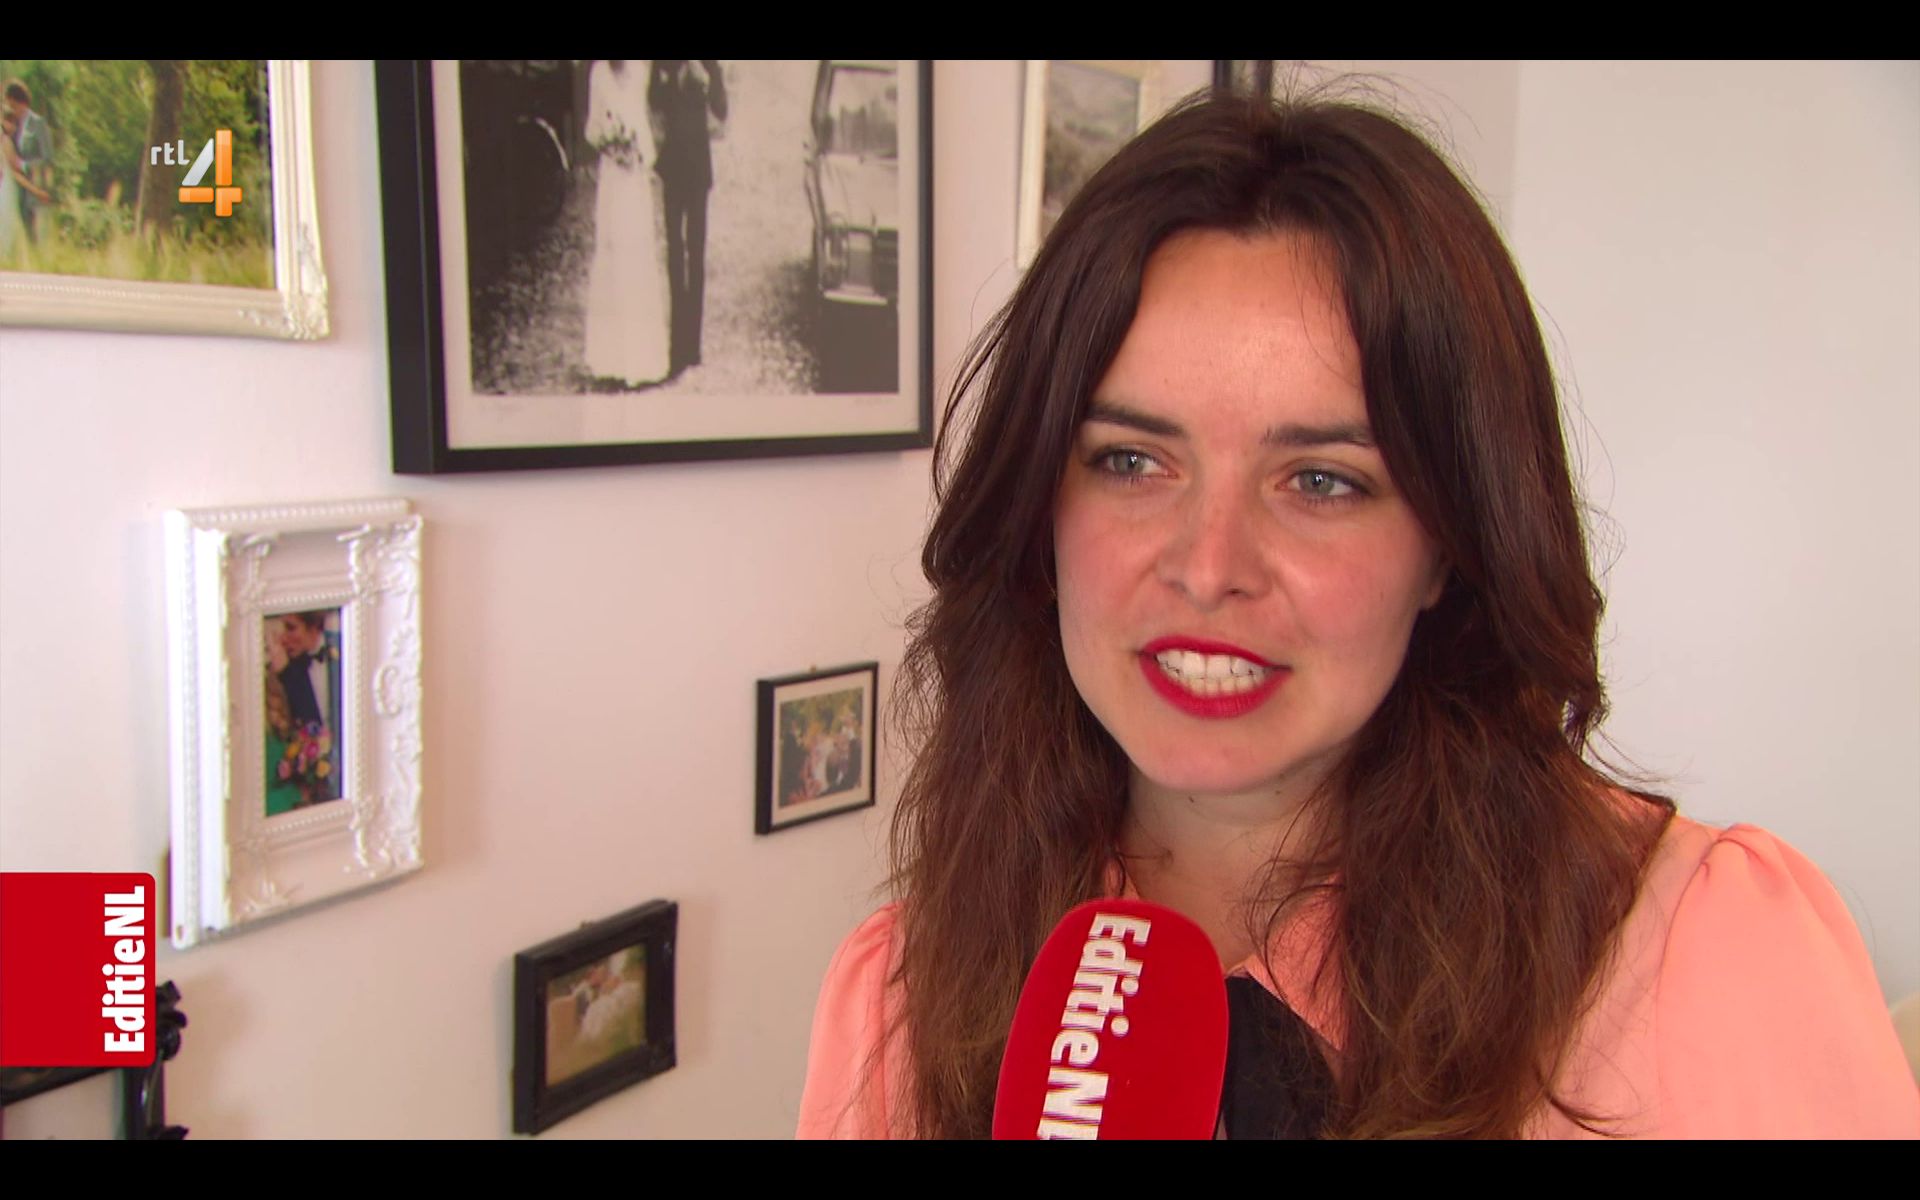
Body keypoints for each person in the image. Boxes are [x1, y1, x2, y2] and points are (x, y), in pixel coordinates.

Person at [796, 89, 1920, 1139]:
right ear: (1040, 507)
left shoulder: (1702, 954)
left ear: (1449, 545)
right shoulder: (903, 995)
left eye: (1322, 480)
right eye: (1131, 460)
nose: (1208, 567)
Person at [582, 60, 671, 389]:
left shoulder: (639, 71)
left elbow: (643, 122)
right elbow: (591, 129)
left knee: (636, 257)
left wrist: (638, 153)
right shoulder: (598, 74)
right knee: (612, 256)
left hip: (634, 178)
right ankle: (609, 360)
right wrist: (609, 143)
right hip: (612, 179)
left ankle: (642, 361)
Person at [648, 60, 727, 377]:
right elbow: (653, 99)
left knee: (696, 253)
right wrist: (672, 83)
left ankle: (692, 344)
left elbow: (722, 110)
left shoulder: (708, 64)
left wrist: (705, 80)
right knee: (674, 253)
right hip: (672, 167)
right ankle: (676, 344)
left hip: (698, 169)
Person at [0, 109, 50, 267]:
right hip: (8, 190)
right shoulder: (6, 142)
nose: (14, 128)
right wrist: (37, 191)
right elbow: (16, 173)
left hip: (6, 186)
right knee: (7, 226)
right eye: (12, 123)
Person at [3, 80, 48, 243]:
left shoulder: (38, 123)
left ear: (19, 102)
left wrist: (24, 165)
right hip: (15, 188)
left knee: (32, 230)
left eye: (11, 104)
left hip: (31, 183)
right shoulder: (9, 134)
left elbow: (47, 157)